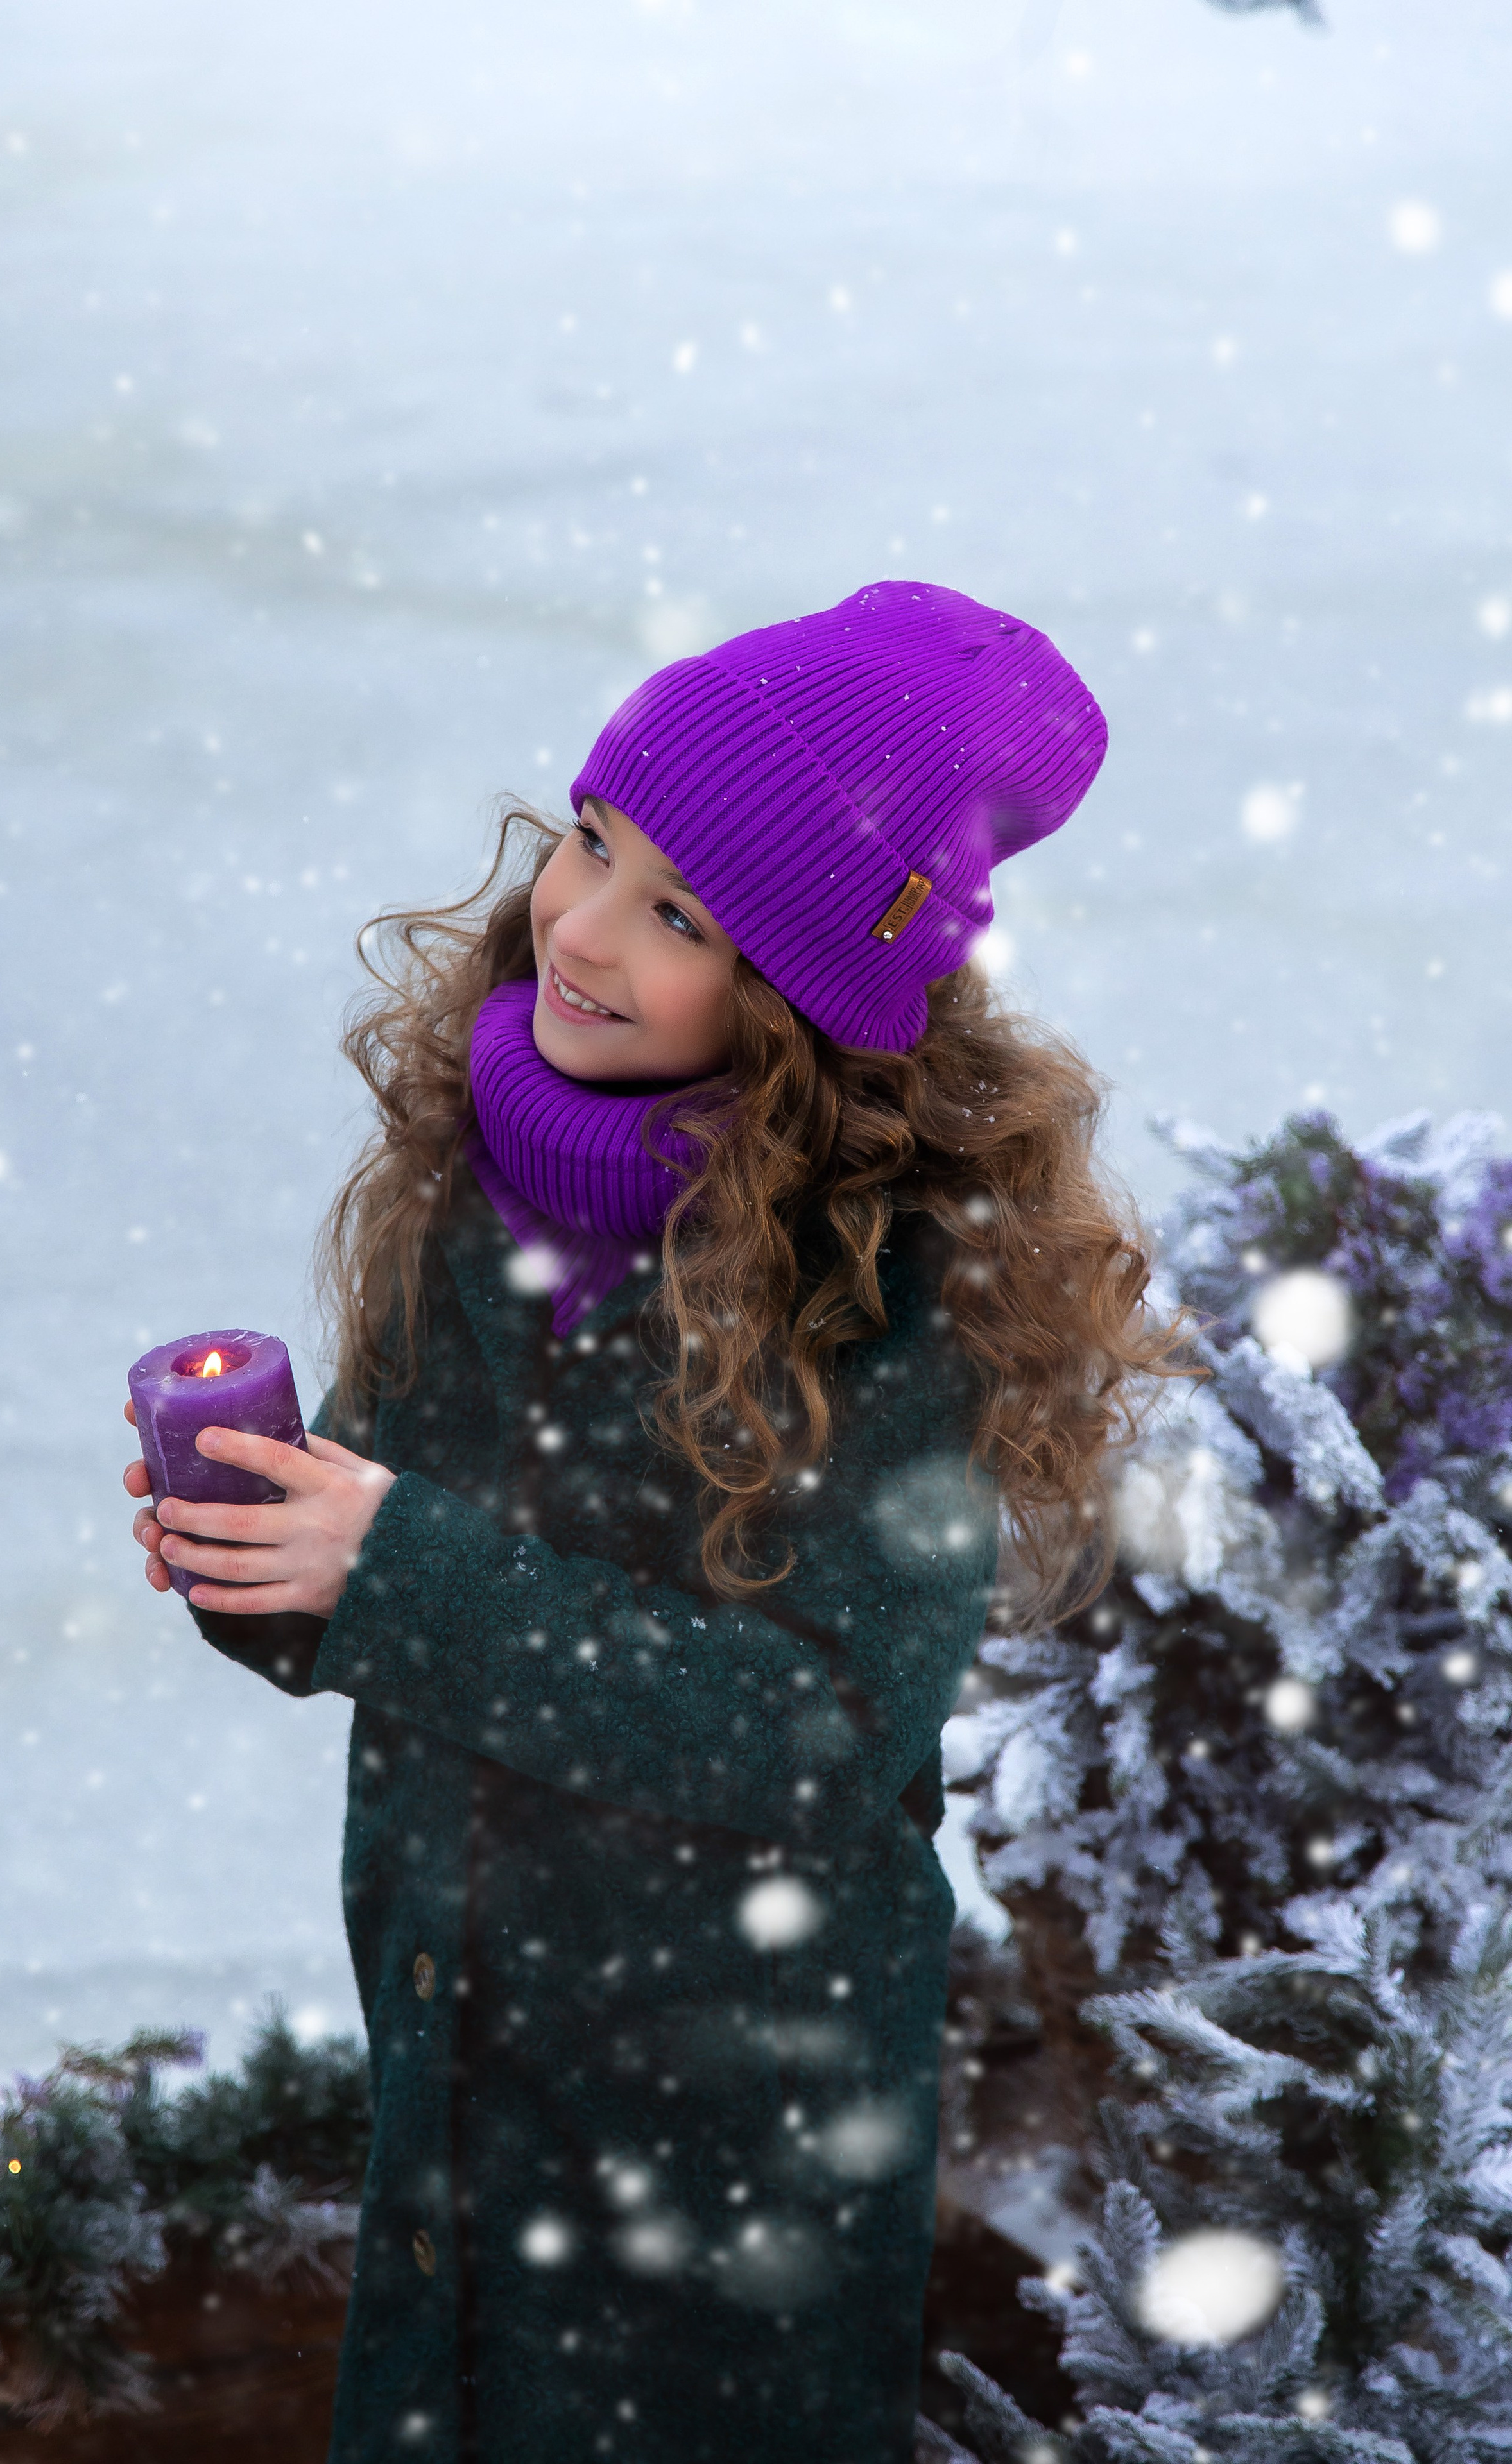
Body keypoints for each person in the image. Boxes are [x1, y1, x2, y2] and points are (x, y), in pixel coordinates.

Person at [122, 580, 1174, 2464]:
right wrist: (264, 1561)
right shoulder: (479, 1167)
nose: (582, 931)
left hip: (733, 2130)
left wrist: (397, 1575)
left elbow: (830, 1729)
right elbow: (396, 1571)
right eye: (596, 844)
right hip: (455, 2059)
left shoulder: (893, 1287)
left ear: (798, 998)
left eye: (679, 915)